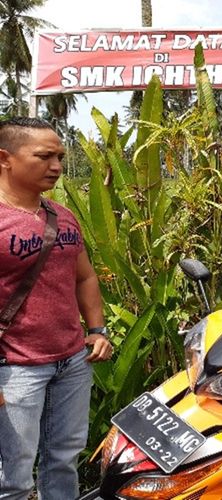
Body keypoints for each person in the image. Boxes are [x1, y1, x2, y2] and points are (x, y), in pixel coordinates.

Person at [0, 117, 112, 500]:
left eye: (60, 157)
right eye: (45, 156)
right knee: (11, 473)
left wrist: (97, 330)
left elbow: (85, 277)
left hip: (71, 362)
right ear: (5, 159)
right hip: (13, 367)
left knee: (63, 460)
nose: (57, 166)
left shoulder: (62, 216)